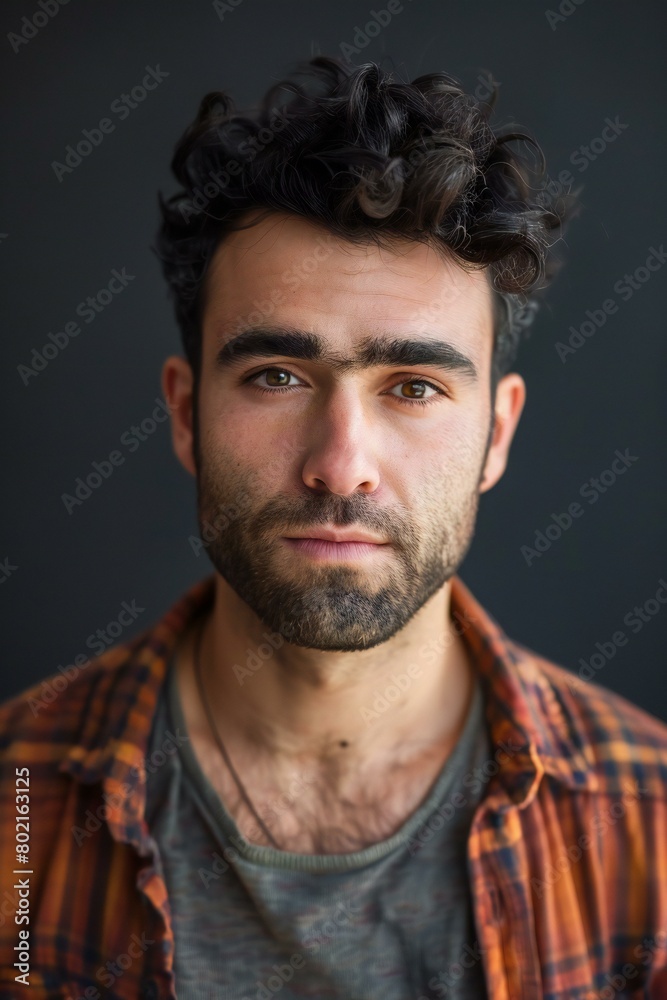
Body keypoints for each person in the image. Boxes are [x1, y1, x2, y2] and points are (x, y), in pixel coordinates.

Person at [1, 54, 666, 1000]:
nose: (340, 463)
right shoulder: (16, 806)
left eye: (413, 388)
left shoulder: (650, 825)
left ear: (497, 433)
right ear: (186, 413)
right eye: (276, 376)